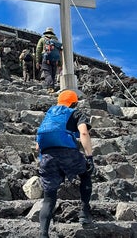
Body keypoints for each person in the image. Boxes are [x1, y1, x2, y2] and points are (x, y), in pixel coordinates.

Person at [35, 90, 94, 238]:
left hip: (47, 156)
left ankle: (43, 233)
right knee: (86, 174)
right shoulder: (75, 113)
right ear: (74, 103)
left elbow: (37, 146)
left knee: (49, 199)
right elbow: (84, 133)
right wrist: (89, 157)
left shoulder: (50, 115)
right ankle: (84, 212)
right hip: (68, 154)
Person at [36, 27, 62, 94]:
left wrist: (37, 61)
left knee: (47, 73)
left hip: (46, 58)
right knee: (53, 74)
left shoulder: (42, 39)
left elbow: (38, 50)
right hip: (55, 60)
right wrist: (60, 64)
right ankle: (52, 88)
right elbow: (60, 53)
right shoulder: (57, 41)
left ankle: (50, 88)